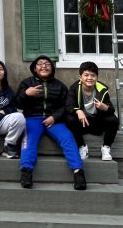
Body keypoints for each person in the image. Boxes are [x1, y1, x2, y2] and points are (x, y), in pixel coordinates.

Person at [14, 55, 86, 190]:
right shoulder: (26, 83)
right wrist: (26, 94)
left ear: (52, 68)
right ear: (35, 69)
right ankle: (26, 172)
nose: (44, 66)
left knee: (67, 138)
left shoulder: (60, 86)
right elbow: (17, 103)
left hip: (54, 120)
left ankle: (78, 172)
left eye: (47, 64)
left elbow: (66, 106)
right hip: (32, 118)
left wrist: (54, 117)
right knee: (28, 142)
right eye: (40, 64)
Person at [65, 61, 119, 161]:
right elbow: (69, 105)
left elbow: (111, 109)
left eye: (93, 75)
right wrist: (78, 111)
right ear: (80, 77)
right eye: (86, 75)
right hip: (82, 122)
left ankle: (106, 147)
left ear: (97, 77)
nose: (89, 78)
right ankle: (82, 147)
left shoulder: (102, 89)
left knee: (114, 120)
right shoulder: (74, 88)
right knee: (69, 119)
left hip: (96, 122)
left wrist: (104, 107)